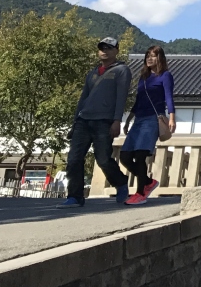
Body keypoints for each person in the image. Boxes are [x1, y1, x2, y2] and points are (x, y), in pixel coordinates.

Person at [61, 37, 132, 207]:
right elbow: (83, 98)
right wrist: (75, 121)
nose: (104, 51)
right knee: (74, 159)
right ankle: (75, 196)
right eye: (101, 48)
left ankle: (120, 182)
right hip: (84, 120)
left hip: (104, 121)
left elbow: (121, 97)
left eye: (108, 48)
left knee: (103, 159)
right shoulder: (92, 73)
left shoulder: (122, 70)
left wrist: (117, 120)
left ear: (116, 51)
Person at [121, 45, 176, 205]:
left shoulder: (165, 76)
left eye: (153, 55)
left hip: (153, 119)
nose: (149, 58)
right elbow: (139, 100)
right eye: (147, 56)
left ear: (160, 58)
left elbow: (169, 97)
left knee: (140, 156)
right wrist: (129, 119)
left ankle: (140, 193)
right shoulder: (144, 77)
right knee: (125, 156)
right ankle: (148, 182)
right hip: (138, 119)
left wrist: (172, 117)